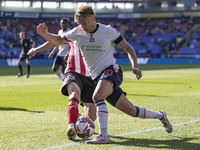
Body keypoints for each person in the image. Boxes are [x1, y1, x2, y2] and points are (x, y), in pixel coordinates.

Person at [34, 5, 173, 144]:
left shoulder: (108, 31)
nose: (83, 26)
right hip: (97, 78)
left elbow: (128, 47)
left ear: (92, 17)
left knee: (97, 96)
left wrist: (134, 66)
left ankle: (103, 136)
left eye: (85, 22)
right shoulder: (78, 32)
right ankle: (160, 116)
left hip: (111, 70)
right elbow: (58, 40)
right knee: (131, 110)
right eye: (80, 23)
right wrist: (45, 34)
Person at [28, 40, 96, 140]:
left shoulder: (97, 35)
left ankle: (77, 117)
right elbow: (54, 41)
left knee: (91, 117)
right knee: (74, 93)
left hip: (90, 76)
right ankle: (71, 126)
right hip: (73, 72)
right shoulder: (73, 34)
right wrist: (36, 49)